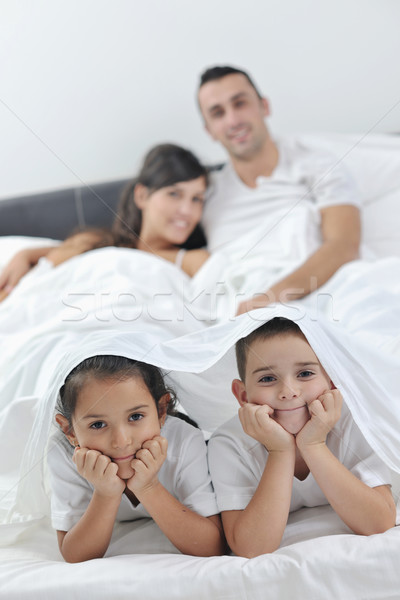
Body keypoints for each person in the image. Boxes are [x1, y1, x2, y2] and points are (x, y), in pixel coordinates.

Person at [207, 317, 396, 558]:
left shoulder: (355, 420)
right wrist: (280, 451)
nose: (289, 392)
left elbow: (379, 524)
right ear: (243, 395)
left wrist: (313, 445)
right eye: (267, 378)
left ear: (332, 382)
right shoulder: (228, 443)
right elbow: (251, 548)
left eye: (305, 373)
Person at [197, 66, 362, 315]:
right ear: (209, 130)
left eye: (240, 103)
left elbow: (344, 245)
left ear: (264, 106)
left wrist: (267, 300)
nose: (233, 120)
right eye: (218, 113)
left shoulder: (316, 164)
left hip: (329, 298)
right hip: (243, 317)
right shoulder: (205, 196)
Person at [48, 354, 225, 562]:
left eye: (135, 417)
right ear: (69, 431)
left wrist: (148, 487)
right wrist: (105, 494)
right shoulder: (62, 453)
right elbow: (75, 555)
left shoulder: (184, 441)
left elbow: (211, 546)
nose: (121, 441)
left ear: (161, 411)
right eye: (97, 424)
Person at [0, 144, 209, 301]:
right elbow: (39, 280)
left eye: (196, 198)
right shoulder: (93, 243)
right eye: (174, 194)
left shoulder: (192, 260)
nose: (186, 211)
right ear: (142, 196)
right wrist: (24, 254)